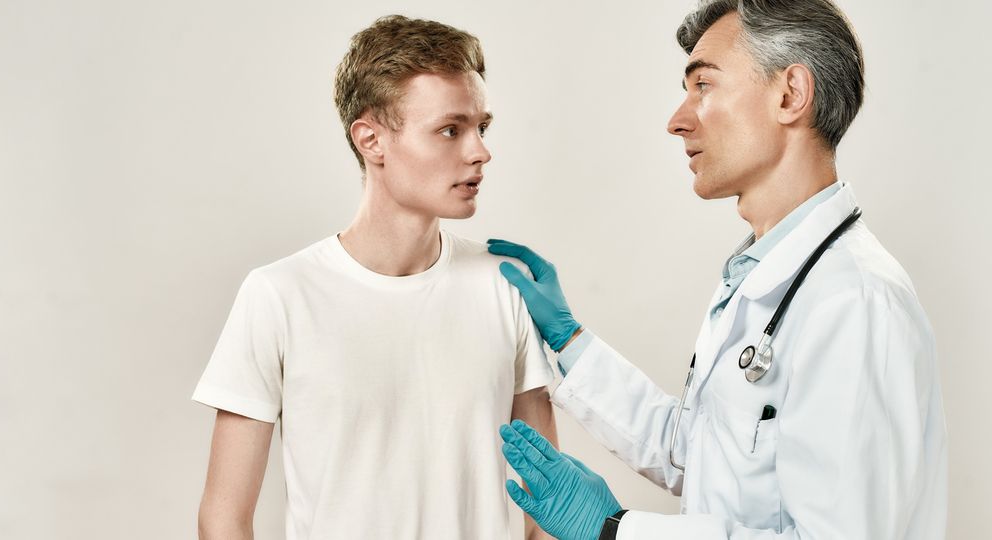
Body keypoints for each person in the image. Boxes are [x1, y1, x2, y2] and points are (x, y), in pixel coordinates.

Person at [488, 1, 947, 538]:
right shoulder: (761, 280)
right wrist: (570, 342)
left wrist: (615, 529)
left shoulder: (855, 301)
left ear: (790, 95)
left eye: (703, 85)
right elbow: (698, 451)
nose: (677, 120)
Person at [192, 15, 557, 540]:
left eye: (482, 127)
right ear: (371, 140)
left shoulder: (506, 286)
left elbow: (548, 511)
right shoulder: (279, 296)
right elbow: (224, 516)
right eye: (450, 129)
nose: (480, 151)